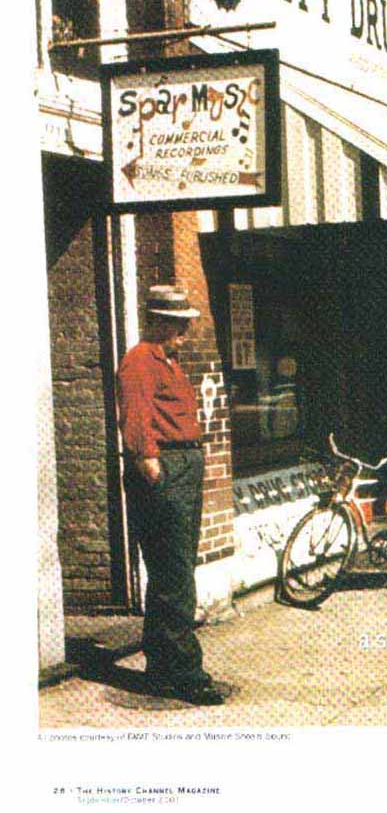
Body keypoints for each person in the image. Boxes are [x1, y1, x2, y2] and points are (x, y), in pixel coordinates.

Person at [117, 285, 224, 705]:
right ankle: (184, 673)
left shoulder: (169, 362)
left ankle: (161, 667)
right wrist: (149, 462)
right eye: (178, 324)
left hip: (183, 464)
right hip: (165, 467)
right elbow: (135, 416)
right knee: (174, 574)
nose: (185, 332)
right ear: (158, 322)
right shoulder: (139, 361)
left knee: (172, 573)